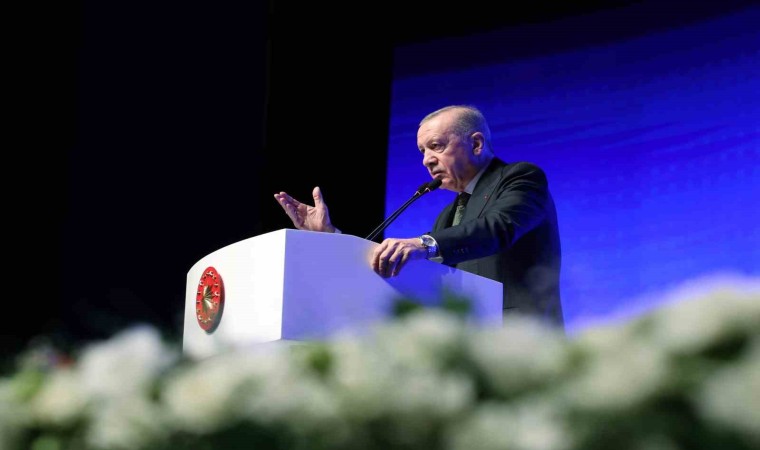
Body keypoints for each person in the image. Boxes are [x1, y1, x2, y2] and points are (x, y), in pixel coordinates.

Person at [274, 105, 564, 329]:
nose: (427, 159)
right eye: (422, 151)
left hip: (521, 338)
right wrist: (331, 240)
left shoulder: (521, 178)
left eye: (436, 146)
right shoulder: (447, 216)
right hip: (468, 347)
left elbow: (498, 229)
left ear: (476, 144)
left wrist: (423, 244)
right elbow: (420, 276)